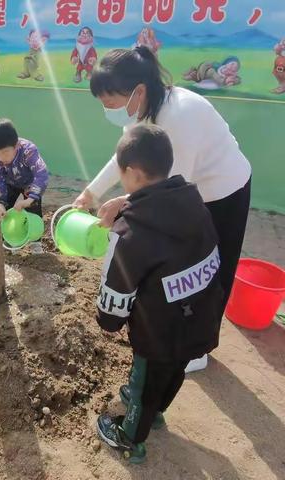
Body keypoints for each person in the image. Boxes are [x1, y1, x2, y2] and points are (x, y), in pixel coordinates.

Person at [74, 47, 251, 371]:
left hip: (223, 191)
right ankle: (182, 328)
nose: (107, 109)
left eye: (109, 102)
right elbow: (125, 158)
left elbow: (171, 190)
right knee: (180, 265)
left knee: (212, 268)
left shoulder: (180, 116)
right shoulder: (142, 111)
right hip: (186, 191)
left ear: (137, 92)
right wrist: (92, 193)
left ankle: (198, 348)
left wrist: (125, 205)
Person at [95, 124, 222, 463]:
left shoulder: (128, 235)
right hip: (200, 320)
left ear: (133, 173)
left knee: (144, 385)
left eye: (122, 175)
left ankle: (130, 437)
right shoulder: (195, 203)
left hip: (159, 334)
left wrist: (108, 319)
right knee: (173, 374)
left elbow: (112, 308)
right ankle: (157, 411)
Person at [0, 119, 49, 254]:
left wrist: (30, 200)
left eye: (5, 152)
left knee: (33, 209)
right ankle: (10, 239)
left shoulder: (29, 150)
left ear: (16, 145)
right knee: (5, 211)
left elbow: (41, 174)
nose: (1, 157)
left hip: (29, 184)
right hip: (9, 183)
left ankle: (36, 241)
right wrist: (0, 202)